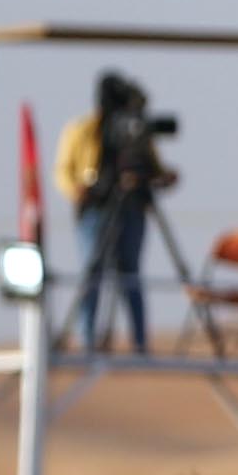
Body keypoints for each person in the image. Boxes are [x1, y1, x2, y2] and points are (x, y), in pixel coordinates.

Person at [66, 71, 176, 357]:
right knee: (94, 270)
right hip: (96, 209)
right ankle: (87, 339)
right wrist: (77, 189)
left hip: (133, 209)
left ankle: (140, 342)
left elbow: (152, 167)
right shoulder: (84, 130)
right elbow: (63, 170)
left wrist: (162, 178)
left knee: (130, 273)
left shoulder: (137, 132)